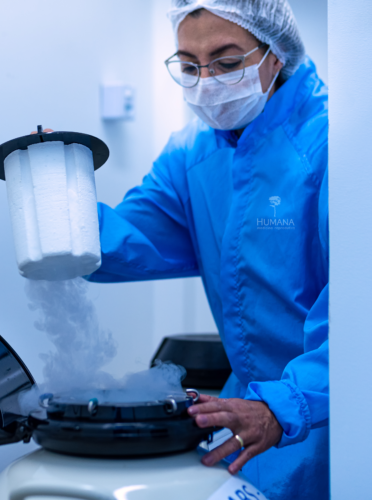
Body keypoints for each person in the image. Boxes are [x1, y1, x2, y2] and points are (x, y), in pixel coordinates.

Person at [86, 1, 329, 499]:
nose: (207, 82)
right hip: (247, 416)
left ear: (275, 54)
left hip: (329, 412)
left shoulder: (333, 144)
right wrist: (56, 194)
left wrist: (284, 407)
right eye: (190, 66)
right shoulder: (193, 152)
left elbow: (361, 317)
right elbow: (128, 239)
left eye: (226, 61)